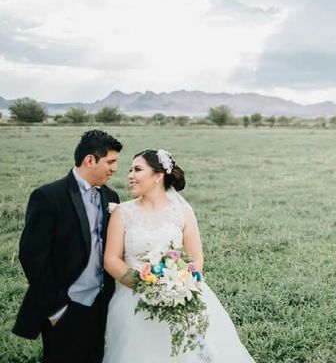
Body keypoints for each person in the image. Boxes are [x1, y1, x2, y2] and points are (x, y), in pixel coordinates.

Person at [103, 149, 255, 362]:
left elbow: (196, 259)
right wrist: (147, 287)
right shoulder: (123, 212)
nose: (130, 175)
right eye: (130, 170)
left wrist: (178, 287)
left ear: (158, 176)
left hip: (182, 294)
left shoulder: (182, 211)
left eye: (137, 169)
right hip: (134, 298)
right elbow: (111, 259)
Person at [13, 129, 123, 363]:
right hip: (66, 308)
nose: (114, 169)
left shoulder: (111, 197)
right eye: (110, 162)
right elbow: (32, 257)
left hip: (102, 305)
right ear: (90, 160)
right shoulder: (49, 196)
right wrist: (56, 309)